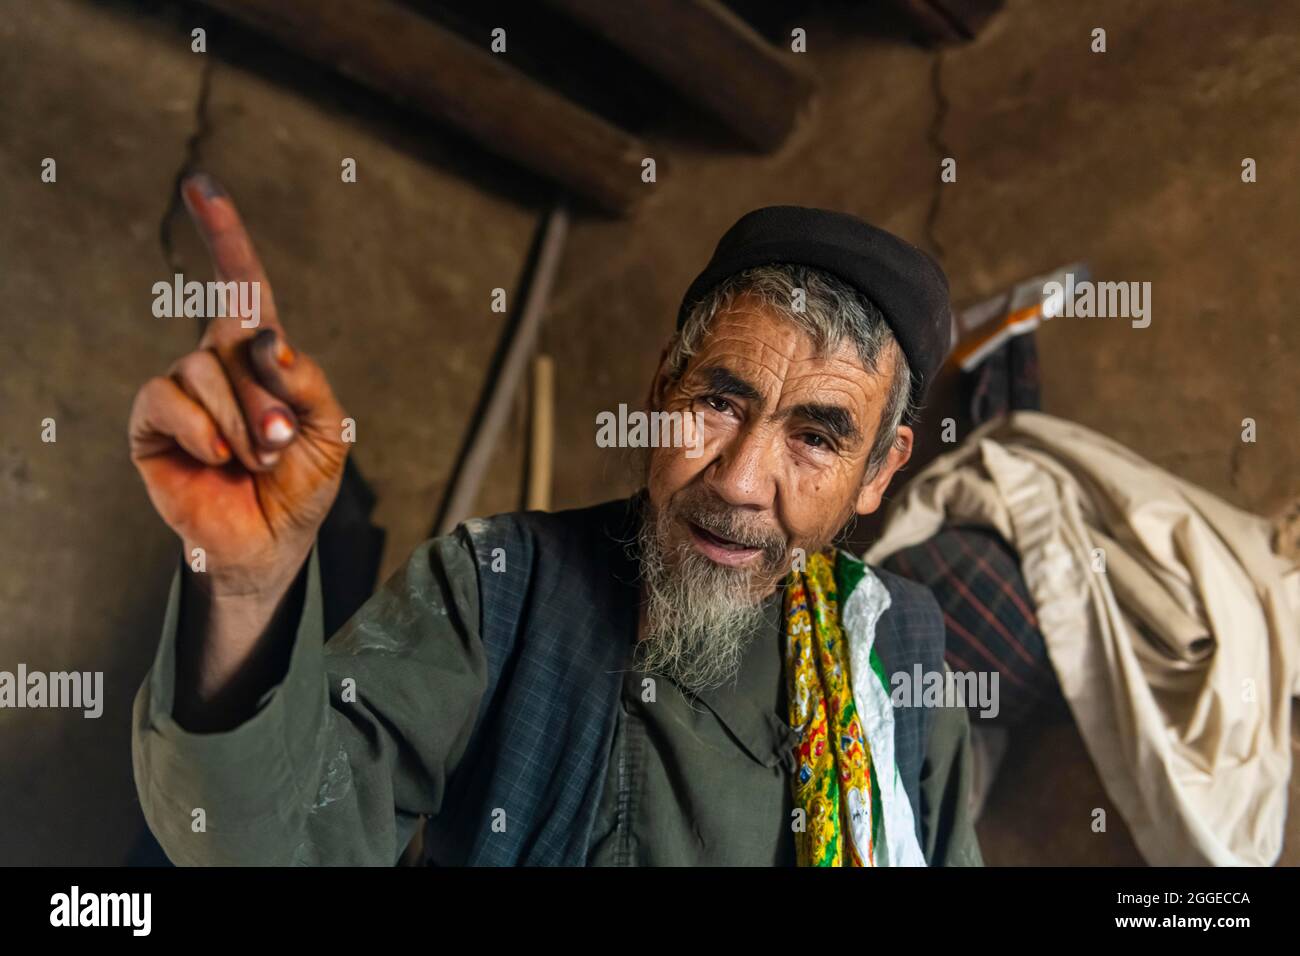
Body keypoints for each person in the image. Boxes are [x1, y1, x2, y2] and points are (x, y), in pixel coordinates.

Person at [130, 176, 982, 866]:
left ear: (878, 473)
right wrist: (243, 585)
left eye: (814, 438)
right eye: (719, 402)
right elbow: (269, 842)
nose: (742, 482)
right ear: (660, 391)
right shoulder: (498, 589)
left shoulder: (891, 649)